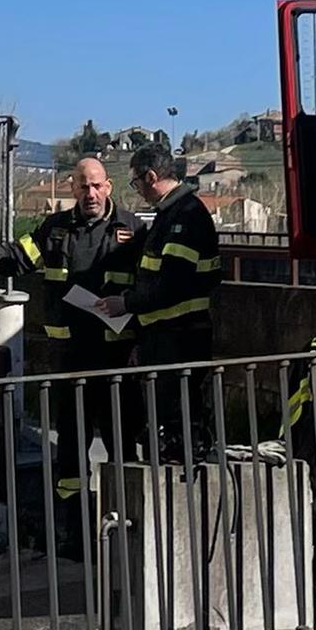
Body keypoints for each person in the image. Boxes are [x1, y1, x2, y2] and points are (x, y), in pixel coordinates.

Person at [4, 153, 137, 528]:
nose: (91, 193)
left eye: (97, 185)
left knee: (121, 438)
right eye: (83, 186)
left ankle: (126, 515)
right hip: (71, 356)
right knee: (71, 444)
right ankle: (73, 526)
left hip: (116, 355)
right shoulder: (56, 228)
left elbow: (151, 284)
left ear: (108, 186)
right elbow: (22, 256)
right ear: (73, 188)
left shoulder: (131, 228)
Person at [126, 149, 225, 456]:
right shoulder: (172, 214)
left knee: (181, 427)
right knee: (169, 422)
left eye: (136, 182)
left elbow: (172, 284)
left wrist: (126, 303)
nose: (138, 189)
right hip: (167, 337)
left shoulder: (184, 216)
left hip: (179, 339)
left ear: (151, 177)